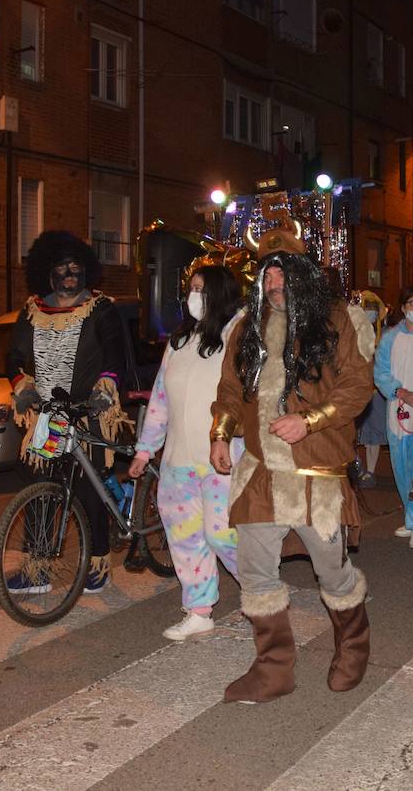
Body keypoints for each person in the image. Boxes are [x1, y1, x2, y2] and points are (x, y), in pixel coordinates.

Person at [210, 223, 375, 704]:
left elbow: (357, 386)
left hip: (315, 476)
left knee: (333, 574)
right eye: (268, 280)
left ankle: (354, 646)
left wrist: (310, 420)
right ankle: (273, 670)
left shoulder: (343, 320)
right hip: (261, 472)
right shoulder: (247, 328)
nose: (275, 287)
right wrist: (220, 435)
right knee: (256, 570)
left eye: (283, 277)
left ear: (303, 277)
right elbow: (228, 392)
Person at [8, 231, 132, 594]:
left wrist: (105, 390)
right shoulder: (32, 311)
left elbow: (114, 357)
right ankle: (39, 569)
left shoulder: (99, 308)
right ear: (48, 273)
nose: (69, 273)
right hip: (49, 417)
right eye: (62, 267)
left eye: (76, 267)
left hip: (88, 413)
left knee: (88, 489)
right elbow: (13, 358)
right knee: (42, 486)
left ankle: (98, 563)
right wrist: (23, 387)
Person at [129, 265, 244, 641]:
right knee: (185, 537)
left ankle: (261, 596)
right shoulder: (179, 341)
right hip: (178, 461)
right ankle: (199, 611)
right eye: (191, 288)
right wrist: (145, 451)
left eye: (202, 289)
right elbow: (160, 399)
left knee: (222, 535)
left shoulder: (236, 336)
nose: (194, 296)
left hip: (221, 460)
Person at [373, 286, 413, 548]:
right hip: (398, 409)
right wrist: (401, 392)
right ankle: (411, 519)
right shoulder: (390, 337)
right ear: (403, 306)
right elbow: (381, 372)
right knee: (401, 468)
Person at [350, 291, 389, 488]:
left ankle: (371, 471)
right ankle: (354, 466)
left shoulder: (385, 335)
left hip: (375, 392)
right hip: (353, 390)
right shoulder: (350, 332)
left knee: (373, 433)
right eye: (367, 308)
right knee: (352, 432)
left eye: (373, 309)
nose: (370, 313)